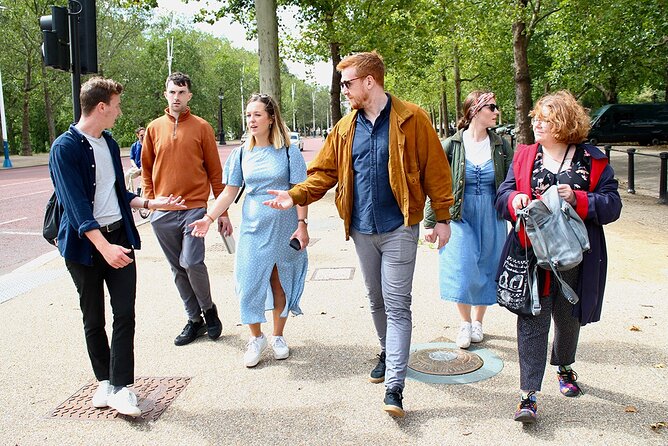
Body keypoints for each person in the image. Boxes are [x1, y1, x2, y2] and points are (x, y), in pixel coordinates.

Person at [263, 51, 454, 417]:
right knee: (376, 298)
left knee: (398, 304)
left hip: (400, 225)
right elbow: (323, 173)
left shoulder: (412, 118)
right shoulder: (344, 127)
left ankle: (395, 385)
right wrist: (294, 194)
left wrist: (441, 217)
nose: (344, 90)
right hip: (362, 228)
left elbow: (436, 170)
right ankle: (388, 351)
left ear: (370, 82)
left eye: (348, 83)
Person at [48, 77, 185, 417]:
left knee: (125, 313)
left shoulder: (108, 143)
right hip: (84, 247)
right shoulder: (63, 148)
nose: (119, 112)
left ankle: (122, 387)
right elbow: (76, 206)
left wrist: (152, 204)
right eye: (117, 106)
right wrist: (104, 247)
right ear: (101, 107)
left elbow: (116, 194)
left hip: (118, 237)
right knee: (93, 316)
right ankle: (104, 381)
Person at [495, 90, 622, 424]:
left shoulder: (591, 160)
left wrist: (580, 199)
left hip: (576, 258)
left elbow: (612, 205)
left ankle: (564, 366)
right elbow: (503, 195)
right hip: (532, 257)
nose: (536, 123)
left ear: (564, 123)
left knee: (568, 320)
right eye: (536, 116)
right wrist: (515, 201)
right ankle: (528, 396)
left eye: (545, 119)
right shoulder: (524, 156)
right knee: (532, 322)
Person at [189, 93, 309, 368]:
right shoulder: (242, 153)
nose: (251, 120)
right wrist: (208, 218)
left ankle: (278, 336)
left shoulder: (289, 151)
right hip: (254, 230)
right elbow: (229, 192)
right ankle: (256, 338)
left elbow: (301, 192)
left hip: (284, 227)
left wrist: (302, 226)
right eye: (248, 115)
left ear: (270, 118)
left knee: (281, 284)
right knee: (248, 284)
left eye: (256, 115)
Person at [142, 72, 231, 346]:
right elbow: (146, 168)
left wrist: (222, 212)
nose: (177, 97)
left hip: (194, 208)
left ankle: (209, 310)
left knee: (191, 262)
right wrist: (150, 202)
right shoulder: (154, 128)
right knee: (176, 268)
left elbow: (215, 172)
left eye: (181, 92)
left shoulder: (202, 127)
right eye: (172, 92)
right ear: (165, 94)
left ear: (189, 95)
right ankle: (194, 320)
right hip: (163, 212)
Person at [424, 91, 513, 349]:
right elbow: (436, 184)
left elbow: (510, 183)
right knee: (461, 267)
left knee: (487, 267)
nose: (496, 112)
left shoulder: (501, 146)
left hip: (491, 215)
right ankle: (464, 322)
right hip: (459, 215)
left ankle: (478, 322)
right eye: (492, 107)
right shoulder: (452, 145)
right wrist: (431, 222)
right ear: (475, 110)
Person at [124, 127, 144, 192]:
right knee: (127, 175)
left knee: (146, 177)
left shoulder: (148, 145)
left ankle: (140, 189)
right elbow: (132, 158)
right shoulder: (134, 146)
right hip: (136, 167)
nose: (143, 137)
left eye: (144, 135)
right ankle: (129, 192)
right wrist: (135, 166)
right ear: (137, 135)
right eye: (141, 135)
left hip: (145, 168)